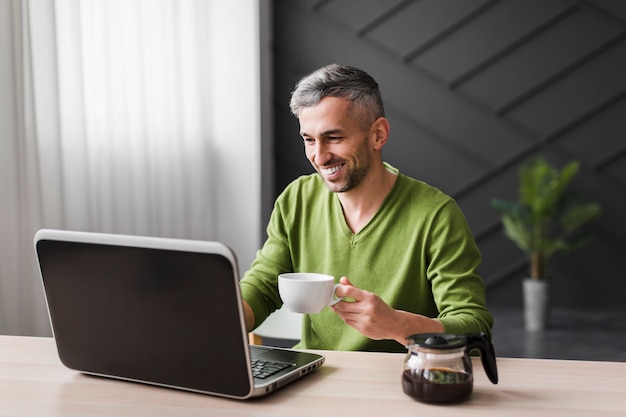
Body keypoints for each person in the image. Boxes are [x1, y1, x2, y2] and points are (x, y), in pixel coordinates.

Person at [240, 63, 493, 352]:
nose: (319, 157)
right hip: (313, 376)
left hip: (399, 382)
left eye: (333, 137)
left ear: (378, 134)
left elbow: (475, 326)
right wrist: (216, 317)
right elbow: (262, 286)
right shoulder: (296, 199)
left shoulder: (436, 215)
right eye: (309, 140)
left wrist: (398, 324)